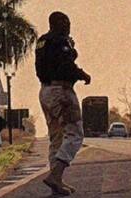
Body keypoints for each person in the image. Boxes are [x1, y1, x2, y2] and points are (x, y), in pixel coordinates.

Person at [35, 11, 91, 196]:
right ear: (61, 23)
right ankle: (56, 175)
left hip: (45, 91)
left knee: (56, 137)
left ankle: (56, 183)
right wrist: (82, 74)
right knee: (75, 133)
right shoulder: (60, 41)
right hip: (62, 92)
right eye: (66, 22)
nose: (69, 26)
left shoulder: (42, 42)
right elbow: (65, 65)